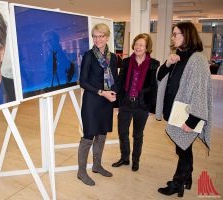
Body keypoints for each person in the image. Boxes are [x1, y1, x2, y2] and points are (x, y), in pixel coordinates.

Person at [156, 22, 212, 197]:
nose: (173, 37)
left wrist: (193, 121)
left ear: (187, 35)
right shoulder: (178, 56)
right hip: (176, 112)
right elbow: (159, 77)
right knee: (183, 147)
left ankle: (178, 183)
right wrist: (167, 63)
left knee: (182, 148)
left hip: (189, 115)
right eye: (173, 34)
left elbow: (200, 92)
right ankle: (187, 178)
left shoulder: (198, 60)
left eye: (176, 34)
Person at [111, 33, 160, 171]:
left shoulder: (153, 64)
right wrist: (116, 105)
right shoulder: (126, 62)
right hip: (126, 103)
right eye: (137, 44)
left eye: (141, 45)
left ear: (147, 47)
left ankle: (136, 160)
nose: (138, 47)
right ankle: (125, 158)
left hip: (141, 105)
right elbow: (119, 83)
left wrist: (152, 108)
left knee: (138, 135)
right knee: (122, 133)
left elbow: (153, 86)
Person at [77, 23, 118, 186]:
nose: (98, 39)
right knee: (88, 136)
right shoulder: (88, 56)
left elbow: (114, 79)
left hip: (107, 102)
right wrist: (102, 92)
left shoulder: (113, 57)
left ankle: (97, 165)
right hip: (92, 101)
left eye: (101, 36)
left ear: (107, 37)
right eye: (95, 36)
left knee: (101, 134)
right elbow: (83, 82)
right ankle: (81, 172)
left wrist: (115, 99)